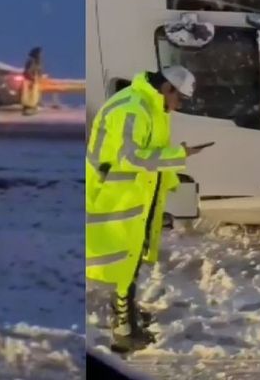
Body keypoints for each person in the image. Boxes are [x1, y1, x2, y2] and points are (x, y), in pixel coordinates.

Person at [85, 66, 209, 353]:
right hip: (117, 198)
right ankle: (124, 330)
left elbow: (150, 148)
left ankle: (127, 313)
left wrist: (172, 179)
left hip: (133, 195)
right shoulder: (134, 109)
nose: (180, 106)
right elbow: (131, 157)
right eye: (180, 99)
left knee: (131, 260)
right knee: (125, 262)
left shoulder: (149, 105)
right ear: (168, 89)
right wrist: (180, 155)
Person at [21, 47, 43, 115]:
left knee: (34, 94)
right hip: (30, 80)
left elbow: (38, 71)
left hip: (34, 80)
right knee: (29, 95)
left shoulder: (37, 62)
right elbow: (27, 71)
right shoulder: (31, 61)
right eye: (39, 54)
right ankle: (28, 108)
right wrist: (32, 78)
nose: (40, 55)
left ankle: (32, 107)